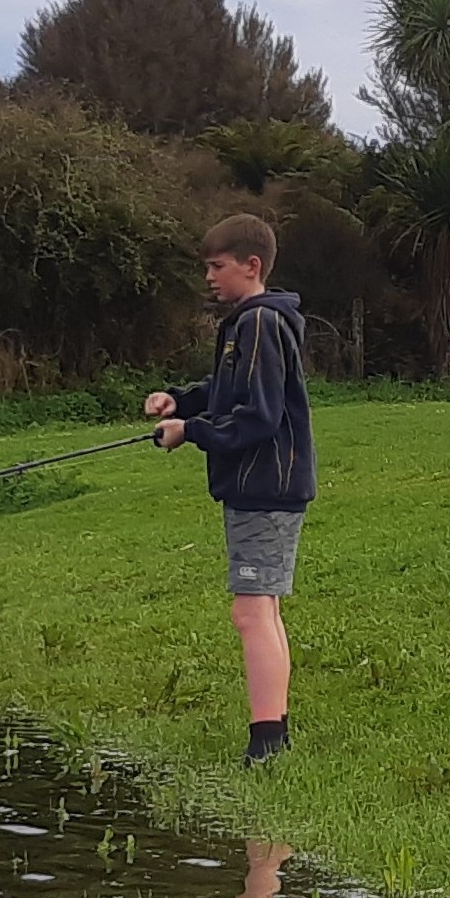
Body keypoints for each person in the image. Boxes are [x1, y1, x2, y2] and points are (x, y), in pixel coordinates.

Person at [146, 214, 316, 766]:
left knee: (250, 611)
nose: (209, 277)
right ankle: (276, 734)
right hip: (262, 486)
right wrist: (183, 401)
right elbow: (230, 390)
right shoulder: (251, 322)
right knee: (261, 608)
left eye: (217, 266)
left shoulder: (260, 323)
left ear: (252, 266)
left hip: (264, 485)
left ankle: (266, 742)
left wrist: (190, 433)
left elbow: (259, 415)